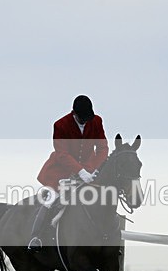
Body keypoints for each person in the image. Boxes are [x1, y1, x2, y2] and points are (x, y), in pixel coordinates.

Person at [28, 95, 109, 251]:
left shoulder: (96, 121)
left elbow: (102, 148)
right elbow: (62, 154)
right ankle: (36, 237)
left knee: (103, 197)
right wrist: (80, 171)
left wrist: (92, 168)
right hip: (60, 171)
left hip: (89, 169)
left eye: (87, 118)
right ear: (74, 113)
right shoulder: (60, 125)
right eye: (82, 118)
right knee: (51, 199)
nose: (85, 121)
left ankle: (107, 238)